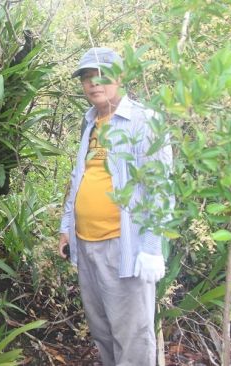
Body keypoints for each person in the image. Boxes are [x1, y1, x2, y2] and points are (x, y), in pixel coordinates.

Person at [58, 47, 172, 366]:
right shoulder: (90, 121)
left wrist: (151, 248)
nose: (93, 83)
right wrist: (66, 228)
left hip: (125, 248)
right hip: (87, 247)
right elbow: (79, 177)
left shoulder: (143, 121)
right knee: (103, 331)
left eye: (101, 75)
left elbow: (161, 187)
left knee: (133, 336)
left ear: (119, 77)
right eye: (86, 77)